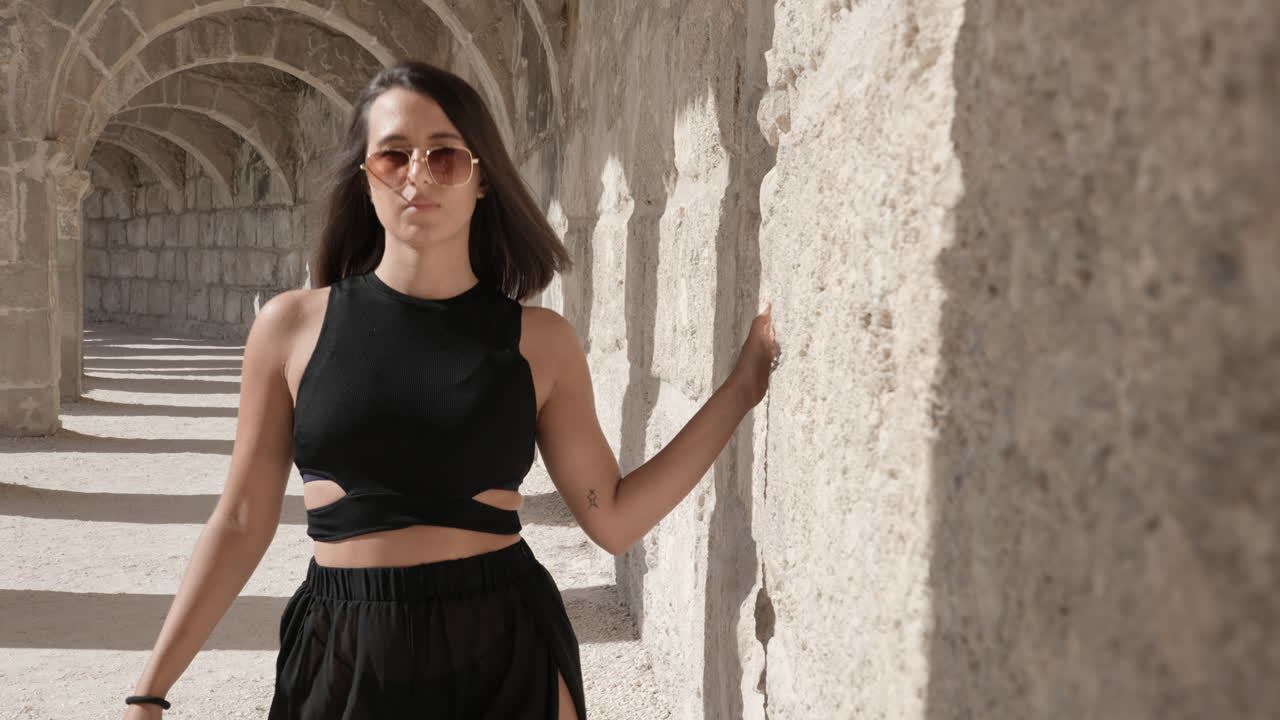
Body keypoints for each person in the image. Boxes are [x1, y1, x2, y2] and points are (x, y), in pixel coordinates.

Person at [122, 60, 778, 720]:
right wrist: (149, 692)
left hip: (504, 644)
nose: (418, 175)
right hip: (344, 648)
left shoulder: (538, 341)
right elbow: (239, 522)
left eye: (445, 155)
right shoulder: (290, 328)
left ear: (481, 176)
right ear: (365, 177)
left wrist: (742, 388)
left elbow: (612, 517)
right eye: (393, 156)